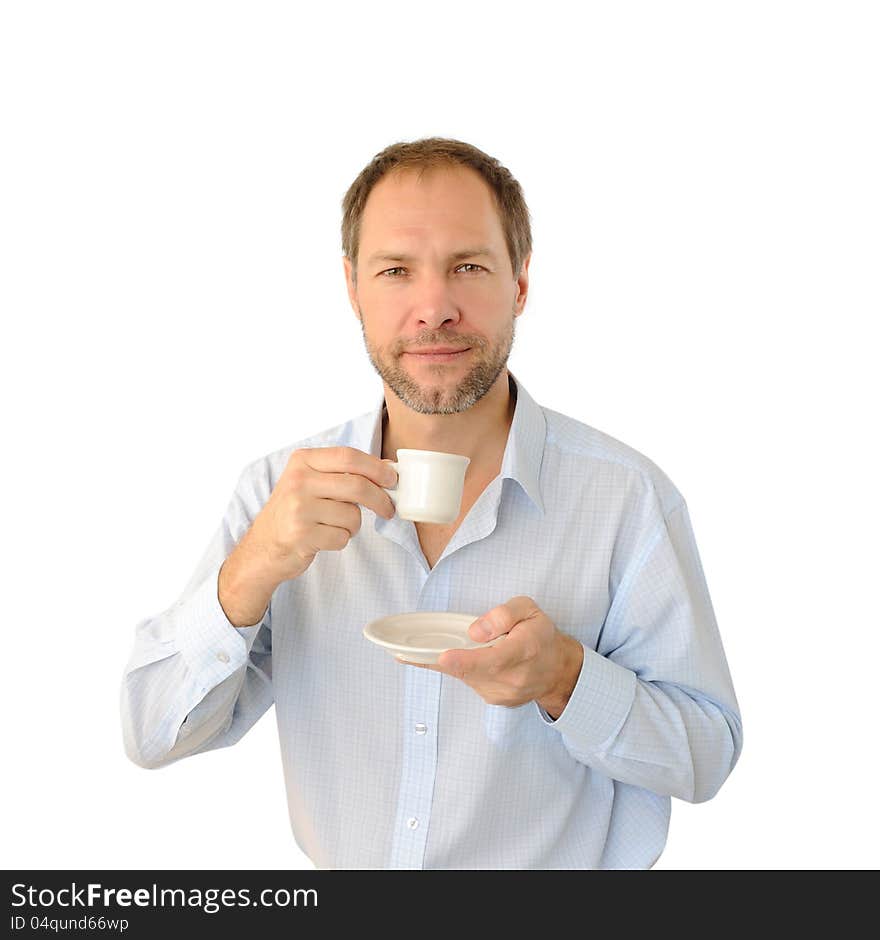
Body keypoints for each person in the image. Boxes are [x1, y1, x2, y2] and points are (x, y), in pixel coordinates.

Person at [121, 136, 742, 870]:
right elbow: (152, 734)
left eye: (468, 267)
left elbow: (705, 757)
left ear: (519, 283)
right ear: (353, 287)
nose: (434, 308)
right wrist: (250, 572)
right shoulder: (277, 493)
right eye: (396, 271)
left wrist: (564, 679)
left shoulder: (625, 500)